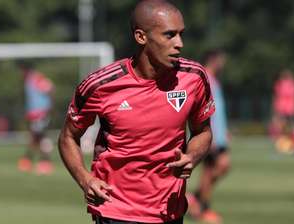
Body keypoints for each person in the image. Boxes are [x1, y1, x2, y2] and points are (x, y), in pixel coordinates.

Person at [58, 1, 215, 224]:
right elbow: (68, 137)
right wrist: (85, 179)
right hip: (116, 209)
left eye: (181, 34)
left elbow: (203, 131)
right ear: (141, 37)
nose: (179, 43)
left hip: (170, 210)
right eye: (169, 35)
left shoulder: (194, 78)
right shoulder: (100, 85)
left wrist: (191, 157)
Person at [186, 49, 230, 224]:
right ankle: (203, 208)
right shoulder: (204, 79)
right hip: (209, 136)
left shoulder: (214, 80)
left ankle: (194, 199)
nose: (223, 64)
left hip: (218, 136)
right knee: (210, 170)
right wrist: (207, 135)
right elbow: (203, 111)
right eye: (221, 60)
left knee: (221, 167)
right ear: (214, 60)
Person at [17, 61, 54, 175]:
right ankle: (31, 161)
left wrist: (46, 106)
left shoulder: (36, 78)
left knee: (38, 136)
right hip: (35, 113)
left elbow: (50, 88)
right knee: (37, 137)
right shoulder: (29, 80)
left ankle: (42, 162)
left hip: (40, 113)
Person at [269, 70, 294, 153]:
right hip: (289, 108)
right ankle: (286, 144)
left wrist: (274, 108)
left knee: (283, 128)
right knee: (287, 128)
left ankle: (285, 144)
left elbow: (276, 96)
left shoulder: (281, 83)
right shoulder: (293, 84)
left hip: (283, 107)